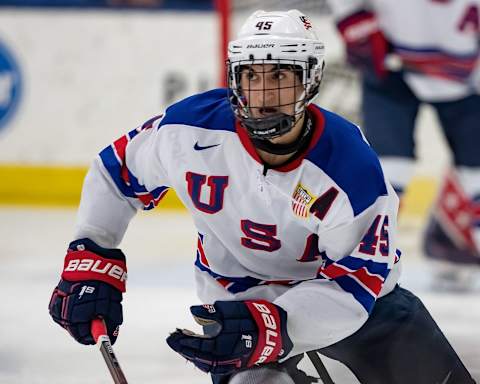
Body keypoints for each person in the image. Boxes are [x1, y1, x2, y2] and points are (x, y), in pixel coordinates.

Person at [48, 9, 476, 384]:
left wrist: (280, 324)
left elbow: (355, 284)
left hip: (357, 307)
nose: (264, 95)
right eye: (251, 76)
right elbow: (115, 171)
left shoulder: (350, 168)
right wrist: (93, 251)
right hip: (239, 304)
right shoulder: (188, 130)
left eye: (280, 76)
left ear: (309, 80)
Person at [328, 0, 480, 289]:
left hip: (464, 75)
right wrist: (353, 19)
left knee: (477, 172)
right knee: (387, 172)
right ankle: (360, 266)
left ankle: (450, 245)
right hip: (391, 62)